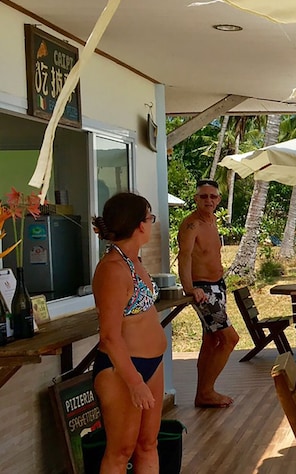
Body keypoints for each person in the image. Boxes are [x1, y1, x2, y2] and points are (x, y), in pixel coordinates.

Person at [91, 192, 165, 472]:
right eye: (150, 217)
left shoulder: (134, 261)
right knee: (121, 451)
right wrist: (134, 382)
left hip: (152, 364)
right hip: (122, 368)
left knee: (148, 444)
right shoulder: (112, 269)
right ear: (139, 225)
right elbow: (109, 336)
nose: (152, 222)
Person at [177, 179, 239, 408]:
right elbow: (184, 257)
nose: (208, 200)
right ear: (196, 199)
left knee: (212, 340)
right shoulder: (191, 224)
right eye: (203, 196)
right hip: (203, 290)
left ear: (219, 200)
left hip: (218, 286)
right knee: (230, 339)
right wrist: (189, 289)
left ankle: (202, 393)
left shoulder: (212, 221)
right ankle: (207, 391)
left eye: (213, 196)